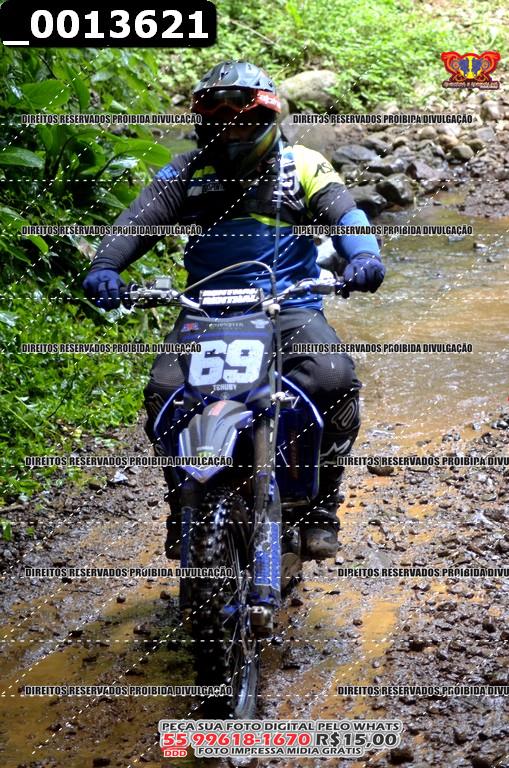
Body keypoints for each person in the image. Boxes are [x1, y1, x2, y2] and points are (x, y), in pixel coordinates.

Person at [83, 60, 385, 560]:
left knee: (332, 379)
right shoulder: (185, 172)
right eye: (220, 119)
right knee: (164, 393)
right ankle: (182, 504)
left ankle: (320, 508)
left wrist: (364, 255)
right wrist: (106, 265)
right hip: (205, 311)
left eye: (243, 119)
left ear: (266, 118)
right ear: (205, 123)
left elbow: (345, 213)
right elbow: (137, 222)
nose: (232, 130)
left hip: (286, 305)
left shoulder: (303, 164)